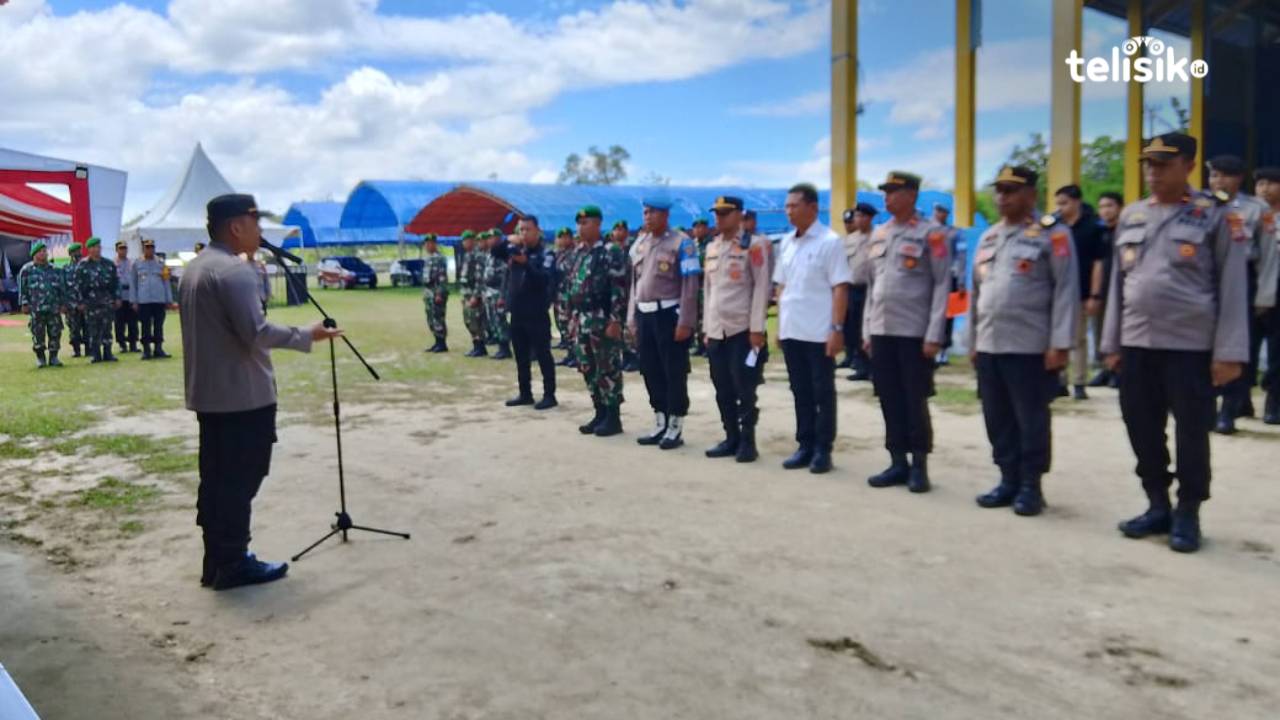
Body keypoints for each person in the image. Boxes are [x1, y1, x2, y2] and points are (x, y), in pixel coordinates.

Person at [180, 193, 342, 590]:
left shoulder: (196, 267)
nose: (260, 231)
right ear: (237, 226)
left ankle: (217, 560)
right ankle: (233, 561)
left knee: (217, 480)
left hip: (211, 394)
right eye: (255, 223)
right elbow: (256, 333)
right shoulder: (231, 271)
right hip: (242, 396)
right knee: (240, 478)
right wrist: (308, 334)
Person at [1100, 132, 1249, 554]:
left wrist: (1229, 352)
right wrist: (1111, 342)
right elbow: (1117, 285)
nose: (1153, 172)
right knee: (1140, 425)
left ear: (1188, 166)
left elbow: (1234, 286)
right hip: (1137, 343)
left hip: (1190, 346)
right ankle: (1156, 502)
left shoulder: (1216, 215)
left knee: (1191, 432)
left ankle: (1188, 511)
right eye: (1148, 164)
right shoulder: (1131, 216)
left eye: (1163, 164)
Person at [968, 166, 1078, 516]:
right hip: (990, 343)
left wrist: (1060, 343)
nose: (1003, 197)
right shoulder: (988, 238)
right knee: (996, 416)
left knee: (1030, 417)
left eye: (1011, 190)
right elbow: (976, 294)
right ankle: (1008, 478)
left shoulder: (1053, 235)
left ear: (1031, 193)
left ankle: (1032, 485)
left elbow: (1066, 291)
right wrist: (972, 340)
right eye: (999, 190)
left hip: (1030, 345)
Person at [861, 172, 952, 493]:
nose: (888, 197)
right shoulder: (879, 233)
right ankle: (897, 460)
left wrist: (934, 332)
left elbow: (943, 284)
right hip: (882, 329)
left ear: (912, 195)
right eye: (885, 192)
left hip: (914, 331)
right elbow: (873, 286)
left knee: (915, 398)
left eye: (895, 192)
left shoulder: (934, 234)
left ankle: (920, 464)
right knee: (888, 397)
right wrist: (867, 329)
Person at [773, 183, 853, 474]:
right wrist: (781, 325)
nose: (789, 212)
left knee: (822, 392)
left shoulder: (830, 242)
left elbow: (841, 287)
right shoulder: (786, 243)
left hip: (819, 331)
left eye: (794, 206)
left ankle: (823, 449)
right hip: (793, 329)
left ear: (813, 208)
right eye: (787, 206)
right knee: (799, 390)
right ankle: (804, 444)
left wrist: (837, 328)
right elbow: (781, 286)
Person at [1206, 156, 1276, 434]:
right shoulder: (1200, 207)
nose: (1218, 182)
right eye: (1213, 176)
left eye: (1224, 176)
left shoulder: (1259, 210)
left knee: (1236, 348)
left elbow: (1269, 256)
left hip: (1243, 282)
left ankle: (1229, 411)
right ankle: (1208, 406)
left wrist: (1265, 296)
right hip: (1206, 283)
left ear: (1238, 179)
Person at [628, 197, 701, 449]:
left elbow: (690, 287)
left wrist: (686, 321)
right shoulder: (639, 244)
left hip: (669, 314)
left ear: (665, 215)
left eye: (653, 212)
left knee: (673, 371)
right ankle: (659, 419)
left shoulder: (682, 243)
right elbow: (634, 285)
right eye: (645, 212)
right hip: (644, 314)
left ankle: (675, 425)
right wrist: (631, 318)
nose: (647, 217)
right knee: (650, 369)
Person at [702, 196, 771, 462]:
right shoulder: (712, 247)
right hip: (717, 330)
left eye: (725, 213)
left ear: (739, 215)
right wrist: (707, 328)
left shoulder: (754, 245)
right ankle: (730, 436)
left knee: (745, 387)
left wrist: (757, 328)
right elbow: (709, 291)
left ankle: (747, 441)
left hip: (741, 329)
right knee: (722, 387)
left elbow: (761, 287)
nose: (719, 218)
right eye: (717, 213)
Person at [564, 205, 628, 437]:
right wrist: (571, 318)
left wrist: (615, 320)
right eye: (579, 223)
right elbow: (572, 286)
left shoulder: (611, 251)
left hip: (602, 318)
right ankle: (599, 411)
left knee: (607, 367)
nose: (581, 227)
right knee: (587, 367)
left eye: (586, 222)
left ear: (598, 224)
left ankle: (613, 417)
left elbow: (619, 287)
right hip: (582, 318)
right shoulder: (579, 253)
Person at [498, 216, 557, 410]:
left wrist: (526, 264)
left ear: (537, 230)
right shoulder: (516, 250)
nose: (524, 233)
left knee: (542, 354)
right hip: (517, 311)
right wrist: (507, 240)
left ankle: (549, 395)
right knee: (521, 355)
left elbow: (543, 280)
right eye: (521, 229)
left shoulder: (546, 254)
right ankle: (525, 393)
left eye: (527, 229)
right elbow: (494, 251)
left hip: (537, 312)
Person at [1053, 185, 1105, 400]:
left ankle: (1080, 382)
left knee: (1079, 338)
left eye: (1064, 203)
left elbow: (1098, 263)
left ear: (1076, 202)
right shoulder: (1054, 226)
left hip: (1082, 290)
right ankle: (1059, 380)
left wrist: (1094, 294)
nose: (1060, 208)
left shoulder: (1093, 226)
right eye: (1058, 204)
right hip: (1058, 292)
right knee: (1058, 336)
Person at [1087, 191, 1124, 388]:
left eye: (1110, 206)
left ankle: (1120, 370)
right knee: (1100, 328)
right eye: (1102, 207)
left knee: (1120, 328)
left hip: (1121, 289)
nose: (1105, 211)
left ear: (1119, 207)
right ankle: (1105, 368)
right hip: (1102, 287)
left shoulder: (1126, 230)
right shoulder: (1099, 232)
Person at [1254, 166, 1280, 424]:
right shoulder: (1247, 217)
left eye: (1271, 183)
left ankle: (1274, 402)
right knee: (1246, 348)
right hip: (1253, 287)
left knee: (1277, 352)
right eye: (1260, 184)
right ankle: (1238, 403)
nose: (1264, 189)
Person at [18, 241, 67, 368]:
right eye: (41, 251)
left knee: (55, 332)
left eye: (45, 251)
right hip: (36, 308)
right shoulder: (27, 270)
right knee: (37, 333)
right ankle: (40, 358)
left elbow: (62, 288)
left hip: (53, 307)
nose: (44, 253)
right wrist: (24, 303)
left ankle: (54, 357)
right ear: (34, 254)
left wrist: (63, 303)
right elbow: (23, 289)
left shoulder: (55, 269)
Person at [843, 203, 877, 381]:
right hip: (852, 289)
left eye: (862, 216)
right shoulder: (849, 240)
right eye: (857, 216)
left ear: (870, 218)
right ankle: (861, 365)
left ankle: (874, 367)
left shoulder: (877, 237)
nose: (858, 219)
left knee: (870, 328)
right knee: (854, 328)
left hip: (870, 289)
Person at [74, 237, 121, 364]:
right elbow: (77, 285)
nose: (96, 250)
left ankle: (108, 353)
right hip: (91, 303)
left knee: (107, 328)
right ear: (89, 249)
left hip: (106, 301)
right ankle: (96, 354)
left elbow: (115, 283)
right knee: (93, 329)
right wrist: (80, 302)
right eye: (93, 247)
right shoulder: (83, 265)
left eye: (98, 247)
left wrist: (117, 298)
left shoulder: (108, 264)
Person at [130, 238, 175, 359]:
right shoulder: (137, 263)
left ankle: (158, 348)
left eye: (151, 247)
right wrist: (133, 301)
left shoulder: (161, 263)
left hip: (159, 299)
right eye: (147, 247)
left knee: (158, 325)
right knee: (145, 325)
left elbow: (166, 282)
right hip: (143, 300)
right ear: (143, 248)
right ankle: (146, 350)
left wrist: (168, 299)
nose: (149, 249)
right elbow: (133, 283)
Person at [930, 203, 962, 366]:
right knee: (932, 313)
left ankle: (944, 350)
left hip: (951, 278)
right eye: (938, 211)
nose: (940, 214)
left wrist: (961, 278)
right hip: (931, 280)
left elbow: (961, 256)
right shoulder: (927, 230)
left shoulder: (954, 232)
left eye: (943, 211)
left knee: (951, 314)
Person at [482, 230, 512, 359]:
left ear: (500, 238)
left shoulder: (503, 253)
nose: (491, 240)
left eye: (494, 237)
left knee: (500, 320)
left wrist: (503, 295)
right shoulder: (490, 254)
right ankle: (500, 346)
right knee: (493, 320)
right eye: (489, 237)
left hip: (498, 291)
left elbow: (505, 274)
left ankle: (505, 348)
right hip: (489, 292)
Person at [459, 230, 489, 357]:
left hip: (473, 294)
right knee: (469, 320)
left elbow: (480, 278)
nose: (465, 243)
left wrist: (476, 296)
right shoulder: (468, 255)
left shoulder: (478, 256)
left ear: (473, 241)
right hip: (466, 293)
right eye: (464, 241)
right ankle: (475, 344)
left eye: (467, 240)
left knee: (476, 320)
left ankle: (480, 346)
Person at [553, 227, 578, 366]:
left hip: (569, 295)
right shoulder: (558, 254)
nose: (561, 240)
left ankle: (576, 354)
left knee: (571, 325)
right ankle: (569, 353)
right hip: (559, 294)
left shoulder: (574, 254)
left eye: (564, 237)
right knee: (563, 324)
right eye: (559, 237)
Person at [421, 234, 449, 353]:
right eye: (426, 244)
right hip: (428, 292)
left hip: (436, 291)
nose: (427, 246)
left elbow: (442, 278)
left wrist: (439, 293)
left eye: (430, 243)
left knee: (438, 317)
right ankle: (436, 341)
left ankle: (442, 343)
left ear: (435, 244)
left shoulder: (439, 258)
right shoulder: (428, 259)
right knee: (431, 318)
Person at [690, 218, 712, 357]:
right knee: (696, 316)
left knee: (706, 315)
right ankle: (699, 344)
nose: (698, 230)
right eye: (696, 227)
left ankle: (708, 344)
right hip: (694, 286)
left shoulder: (711, 244)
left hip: (706, 285)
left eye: (701, 227)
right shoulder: (691, 246)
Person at [113, 240, 139, 353]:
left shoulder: (132, 263)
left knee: (133, 321)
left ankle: (133, 343)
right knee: (119, 322)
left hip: (130, 295)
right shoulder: (113, 264)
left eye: (125, 248)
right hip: (119, 296)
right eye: (121, 248)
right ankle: (122, 344)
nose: (123, 251)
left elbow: (135, 280)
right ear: (116, 250)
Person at [63, 242, 87, 357]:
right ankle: (76, 350)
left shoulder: (86, 266)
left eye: (79, 251)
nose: (78, 254)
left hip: (86, 304)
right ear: (70, 254)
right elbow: (63, 288)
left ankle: (89, 349)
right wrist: (70, 304)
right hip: (71, 305)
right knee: (74, 329)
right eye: (75, 252)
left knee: (88, 327)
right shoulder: (66, 269)